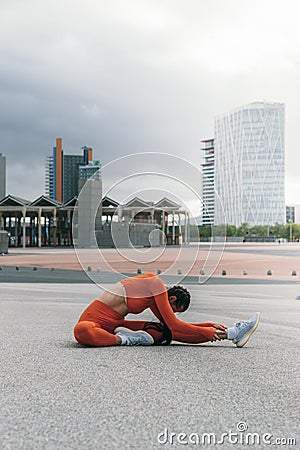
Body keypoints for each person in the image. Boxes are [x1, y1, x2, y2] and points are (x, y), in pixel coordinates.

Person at [74, 273, 260, 348]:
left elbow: (172, 327)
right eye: (174, 309)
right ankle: (126, 339)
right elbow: (173, 323)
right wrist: (207, 330)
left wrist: (209, 326)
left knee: (163, 332)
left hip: (116, 324)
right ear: (171, 298)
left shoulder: (154, 298)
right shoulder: (156, 285)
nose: (173, 312)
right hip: (97, 322)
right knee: (81, 331)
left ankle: (233, 333)